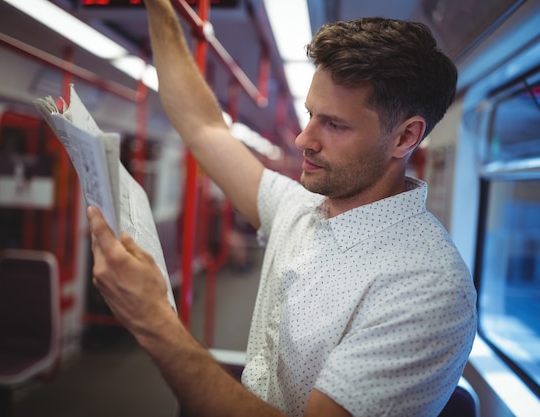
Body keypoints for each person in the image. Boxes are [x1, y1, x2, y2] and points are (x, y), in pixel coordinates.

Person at [87, 1, 477, 416]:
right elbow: (204, 128)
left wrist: (154, 321)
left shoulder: (430, 290)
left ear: (405, 138)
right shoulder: (301, 207)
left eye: (334, 124)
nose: (302, 140)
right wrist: (161, 8)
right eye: (311, 115)